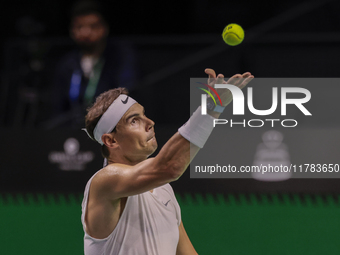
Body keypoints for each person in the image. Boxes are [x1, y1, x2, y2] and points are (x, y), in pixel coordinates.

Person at [82, 68, 253, 254]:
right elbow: (168, 167)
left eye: (144, 114)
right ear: (111, 140)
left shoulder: (164, 189)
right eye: (134, 121)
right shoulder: (104, 181)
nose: (150, 122)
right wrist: (212, 107)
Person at [52, 0, 136, 127]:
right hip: (73, 132)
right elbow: (58, 107)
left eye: (93, 26)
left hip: (110, 131)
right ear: (72, 30)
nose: (86, 33)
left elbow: (126, 96)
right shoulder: (67, 65)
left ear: (104, 28)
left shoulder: (120, 58)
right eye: (80, 27)